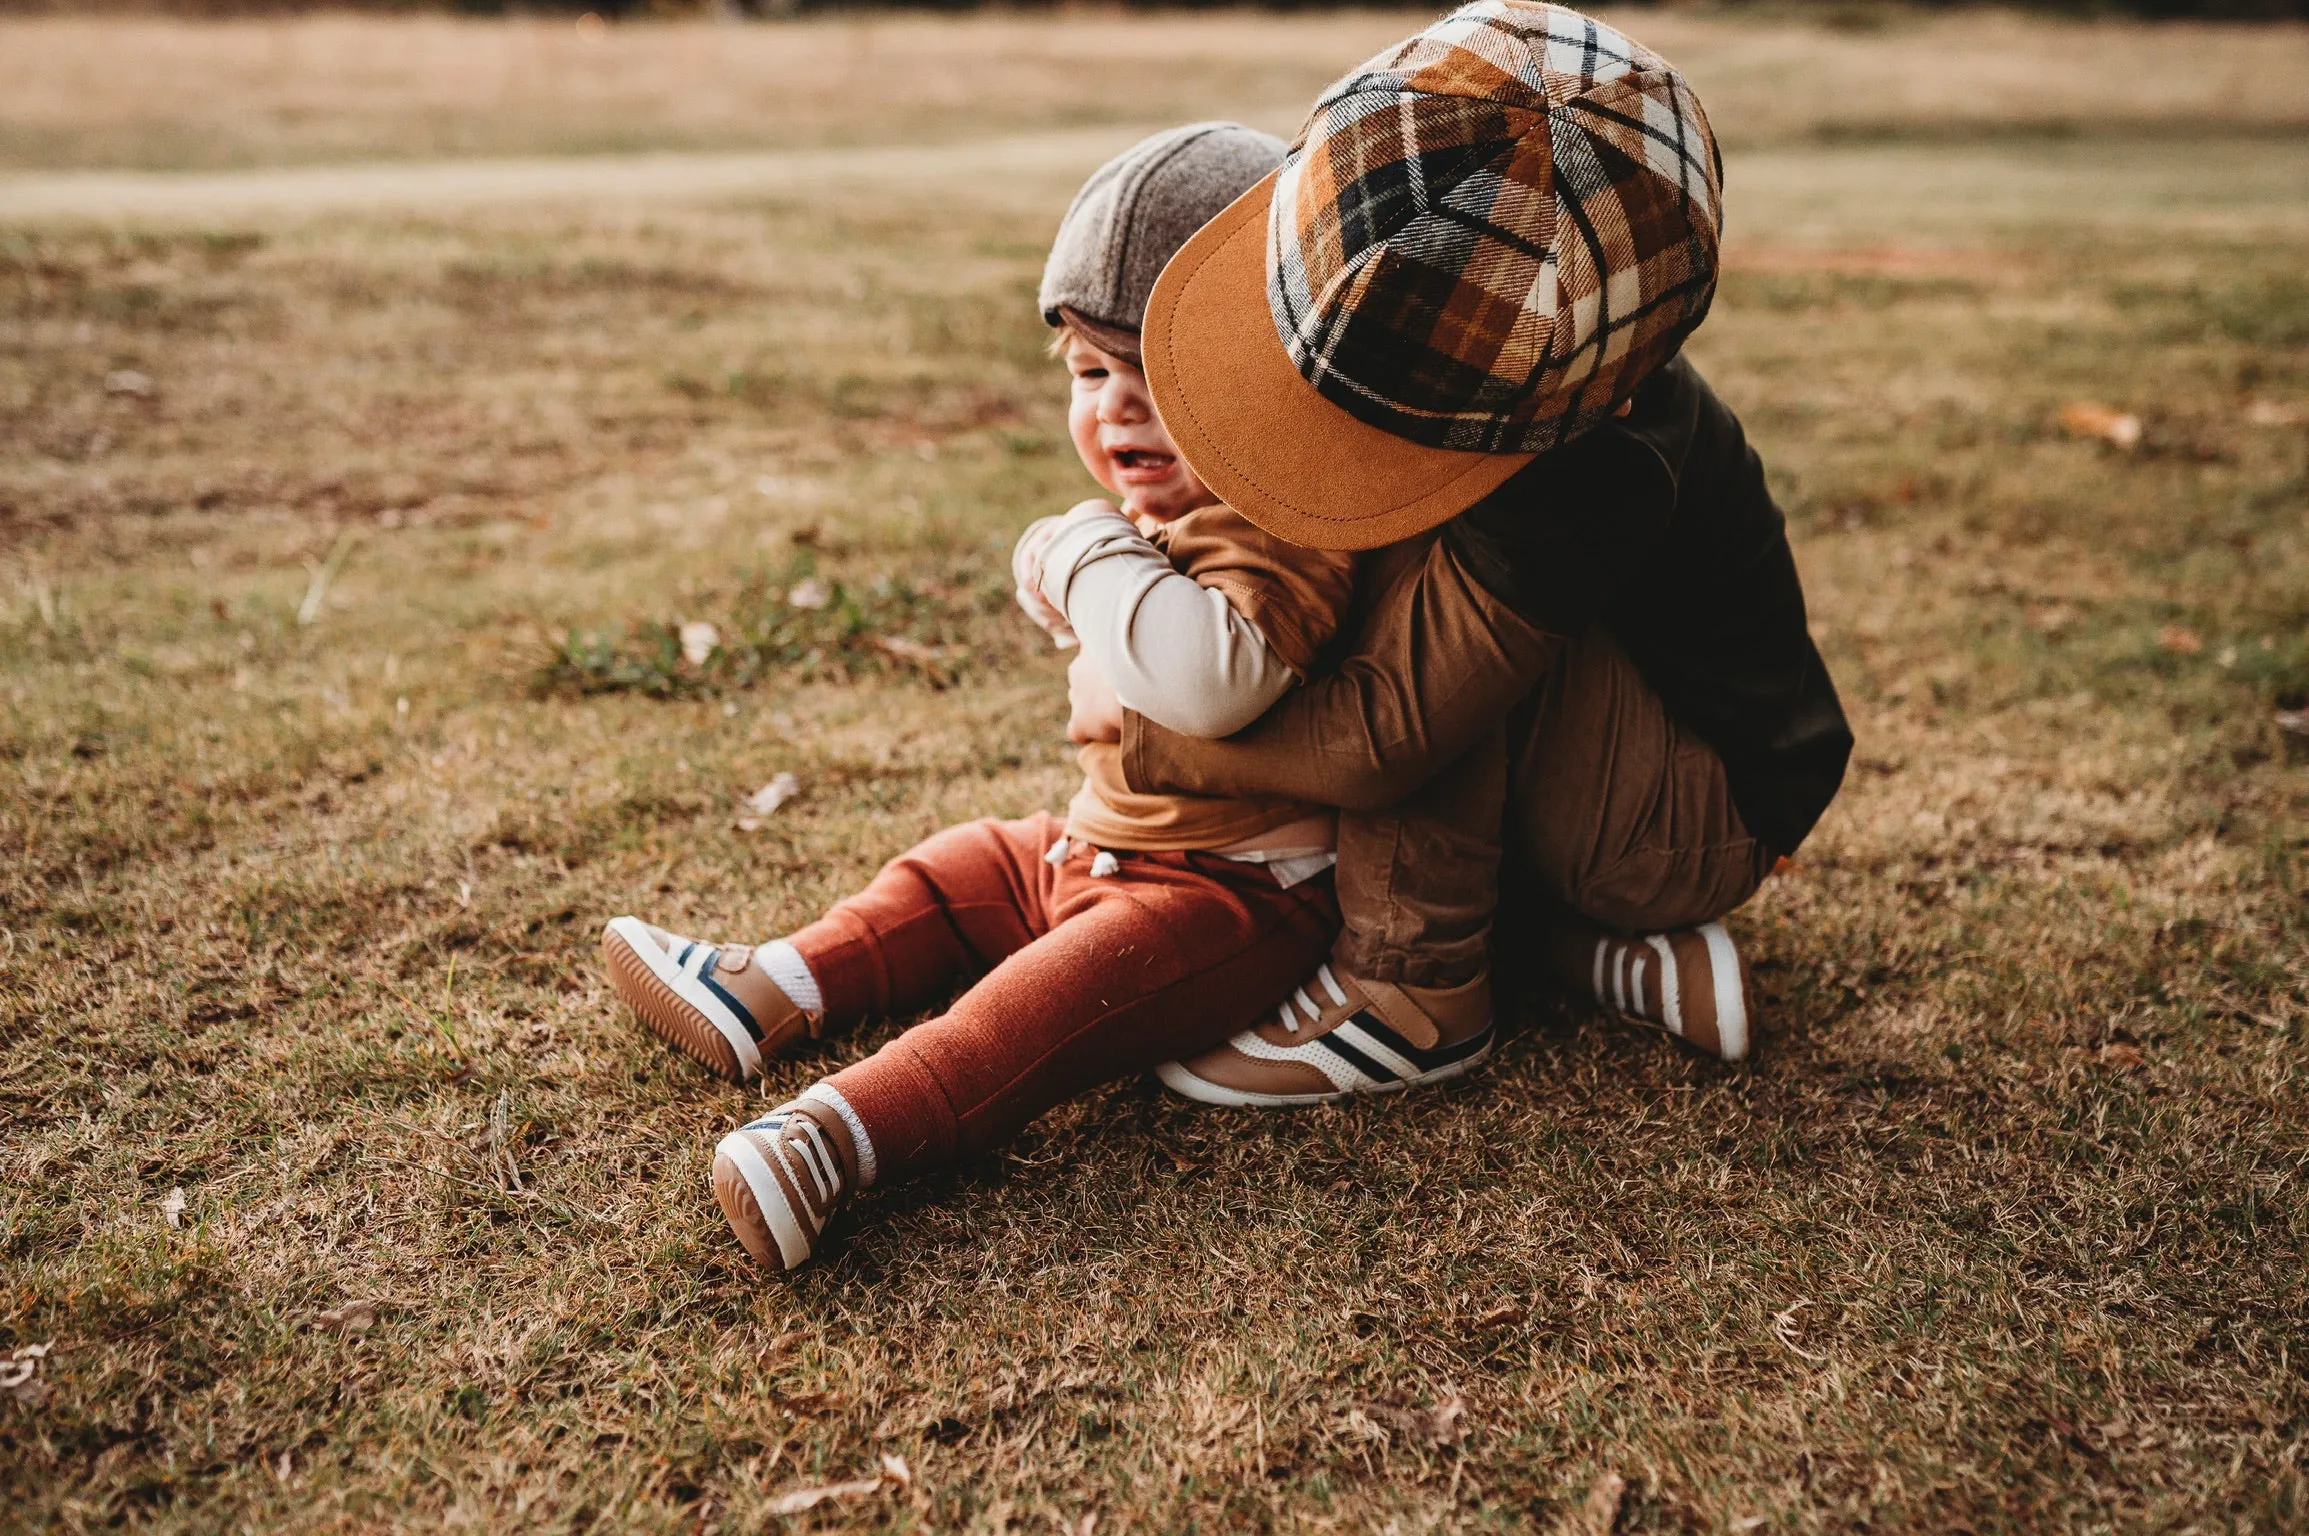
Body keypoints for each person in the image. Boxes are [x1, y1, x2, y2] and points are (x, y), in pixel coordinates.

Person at [598, 123, 1368, 1274]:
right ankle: (774, 985)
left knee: (1025, 1017)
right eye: (1090, 374)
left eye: (1159, 381)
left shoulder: (1286, 521)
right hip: (1104, 846)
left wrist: (1082, 559)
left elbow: (1213, 681)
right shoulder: (1179, 514)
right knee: (961, 870)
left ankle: (834, 1139)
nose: (1116, 411)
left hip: (1236, 898)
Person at [1089, 0, 1854, 1102]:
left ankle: (1413, 997)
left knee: (1412, 607)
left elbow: (1381, 742)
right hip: (1620, 785)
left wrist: (1149, 736)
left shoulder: (1593, 469)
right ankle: (1579, 955)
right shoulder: (1498, 326)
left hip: (1690, 820)